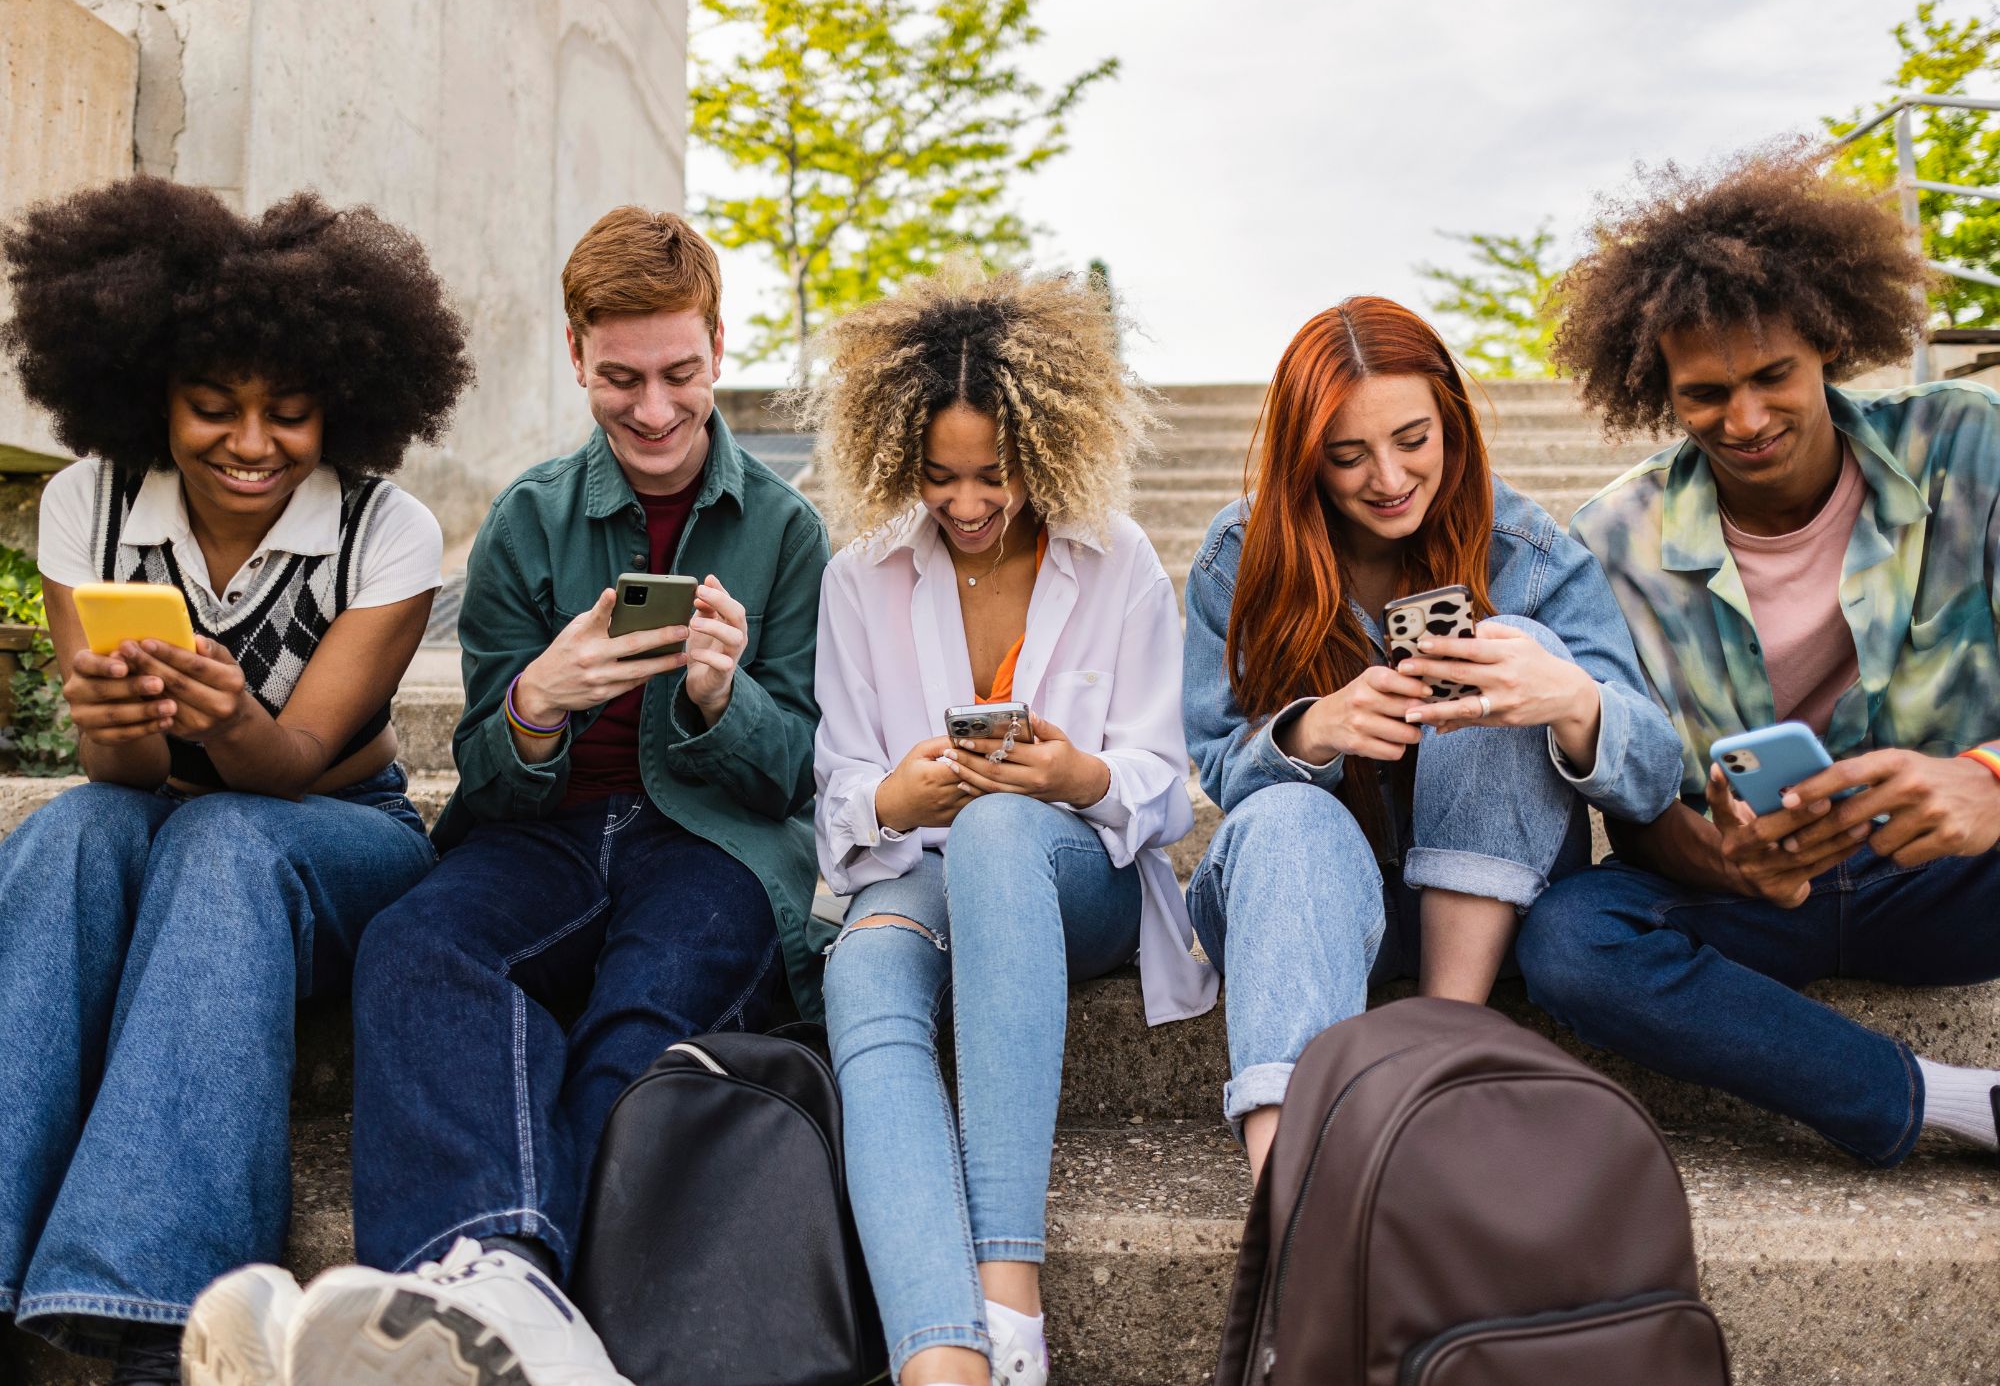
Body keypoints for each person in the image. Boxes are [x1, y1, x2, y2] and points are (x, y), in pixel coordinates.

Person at [200, 207, 830, 1386]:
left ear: (719, 347)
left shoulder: (788, 531)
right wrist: (539, 700)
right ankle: (479, 1278)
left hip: (710, 847)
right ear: (576, 351)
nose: (653, 409)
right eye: (621, 376)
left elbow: (795, 772)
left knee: (636, 1026)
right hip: (540, 836)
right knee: (417, 943)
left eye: (681, 374)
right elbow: (484, 769)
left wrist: (715, 698)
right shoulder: (531, 518)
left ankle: (512, 1311)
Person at [0, 178, 470, 1385]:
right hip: (158, 809)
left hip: (334, 828)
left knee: (226, 841)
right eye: (211, 408)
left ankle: (154, 1306)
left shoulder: (387, 530)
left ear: (344, 413)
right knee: (70, 836)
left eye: (290, 416)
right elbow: (124, 774)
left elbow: (298, 758)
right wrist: (114, 721)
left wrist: (234, 715)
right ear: (152, 396)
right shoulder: (85, 505)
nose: (251, 445)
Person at [1517, 148, 2000, 1166]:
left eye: (1771, 375)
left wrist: (1982, 777)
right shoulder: (1611, 541)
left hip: (1954, 875)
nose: (1742, 420)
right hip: (1750, 906)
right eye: (1703, 394)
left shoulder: (1966, 446)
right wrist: (1718, 856)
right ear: (1658, 390)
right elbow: (1636, 816)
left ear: (1826, 342)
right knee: (1565, 937)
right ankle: (1948, 1100)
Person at [800, 262, 1213, 1386]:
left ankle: (1006, 1293)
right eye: (940, 478)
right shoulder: (860, 578)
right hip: (917, 873)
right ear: (901, 460)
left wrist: (1070, 773)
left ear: (1044, 446)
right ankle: (945, 1361)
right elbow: (839, 788)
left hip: (1070, 878)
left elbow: (1162, 787)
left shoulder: (1113, 556)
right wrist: (898, 795)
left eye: (996, 475)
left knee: (995, 835)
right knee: (864, 970)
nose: (970, 503)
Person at [1182, 296, 1684, 1181]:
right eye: (1348, 455)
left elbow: (1651, 777)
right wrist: (1312, 728)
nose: (1387, 477)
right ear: (1306, 460)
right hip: (1310, 913)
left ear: (1451, 419)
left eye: (1412, 440)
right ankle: (1286, 1195)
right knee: (1290, 814)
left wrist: (1566, 699)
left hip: (1494, 922)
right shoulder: (1239, 552)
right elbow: (1221, 769)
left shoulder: (1524, 547)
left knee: (1511, 652)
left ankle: (1441, 1046)